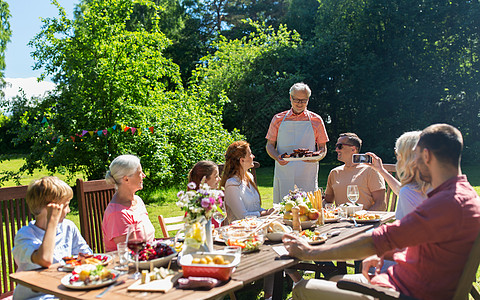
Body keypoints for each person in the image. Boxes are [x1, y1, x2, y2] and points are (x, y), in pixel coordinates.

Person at [283, 124, 480, 300]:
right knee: (336, 278)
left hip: (398, 292)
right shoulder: (466, 196)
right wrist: (389, 255)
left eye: (416, 156)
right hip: (410, 280)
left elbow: (374, 240)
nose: (413, 162)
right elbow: (430, 245)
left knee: (303, 287)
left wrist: (309, 251)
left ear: (426, 156)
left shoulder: (442, 204)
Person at [13, 176, 92, 300]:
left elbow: (88, 256)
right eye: (65, 205)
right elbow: (44, 260)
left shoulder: (68, 227)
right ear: (49, 208)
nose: (69, 210)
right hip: (36, 296)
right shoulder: (25, 236)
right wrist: (52, 221)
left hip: (64, 291)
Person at [266, 82, 329, 204]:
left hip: (307, 170)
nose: (300, 104)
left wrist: (316, 157)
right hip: (283, 169)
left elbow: (323, 148)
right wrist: (276, 157)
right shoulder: (278, 119)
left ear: (308, 100)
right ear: (290, 98)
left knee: (308, 206)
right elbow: (269, 145)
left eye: (303, 100)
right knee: (283, 207)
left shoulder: (317, 120)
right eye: (296, 100)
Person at [366, 131, 429, 219]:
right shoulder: (431, 182)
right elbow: (402, 191)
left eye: (397, 152)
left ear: (407, 155)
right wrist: (381, 170)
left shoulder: (409, 191)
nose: (397, 157)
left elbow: (408, 228)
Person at [102, 154, 155, 252]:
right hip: (128, 265)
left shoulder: (138, 201)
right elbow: (132, 252)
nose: (144, 175)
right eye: (139, 173)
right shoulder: (117, 213)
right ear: (126, 179)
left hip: (148, 258)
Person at [325, 132, 386, 210]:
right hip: (340, 220)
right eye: (336, 146)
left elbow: (381, 204)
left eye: (340, 146)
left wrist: (363, 217)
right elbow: (327, 201)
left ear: (353, 149)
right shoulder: (334, 172)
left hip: (364, 220)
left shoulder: (370, 170)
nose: (336, 150)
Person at [220, 141, 274, 223]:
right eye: (250, 154)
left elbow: (255, 208)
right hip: (237, 231)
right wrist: (265, 213)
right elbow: (242, 216)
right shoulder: (232, 184)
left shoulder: (249, 177)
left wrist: (270, 211)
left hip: (255, 225)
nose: (253, 156)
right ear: (242, 160)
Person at [187, 160, 223, 227]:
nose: (219, 179)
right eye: (216, 176)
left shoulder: (214, 198)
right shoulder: (196, 205)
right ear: (205, 180)